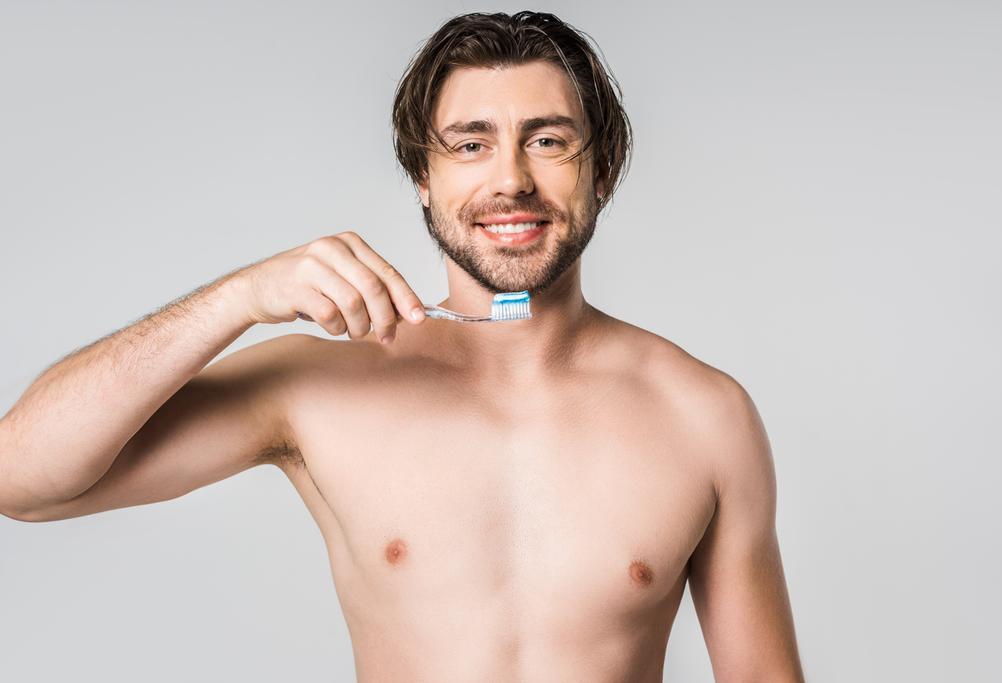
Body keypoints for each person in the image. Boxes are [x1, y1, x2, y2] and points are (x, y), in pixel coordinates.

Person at [0, 11, 804, 682]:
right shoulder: (319, 388)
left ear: (605, 168)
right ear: (422, 176)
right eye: (469, 144)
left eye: (549, 140)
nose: (512, 180)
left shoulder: (704, 413)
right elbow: (22, 478)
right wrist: (236, 298)